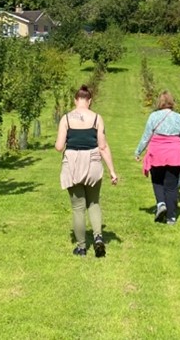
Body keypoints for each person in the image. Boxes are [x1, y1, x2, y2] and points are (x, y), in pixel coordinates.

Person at [55, 85, 118, 257]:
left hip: (73, 165)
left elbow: (59, 147)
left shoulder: (66, 119)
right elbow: (103, 147)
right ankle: (98, 237)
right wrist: (112, 171)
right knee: (94, 203)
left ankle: (82, 247)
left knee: (78, 208)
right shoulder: (97, 118)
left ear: (76, 100)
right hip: (93, 163)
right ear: (89, 101)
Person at [134, 90, 180, 225]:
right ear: (172, 102)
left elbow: (146, 136)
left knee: (157, 181)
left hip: (157, 152)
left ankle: (161, 203)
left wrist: (138, 152)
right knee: (171, 186)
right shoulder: (179, 117)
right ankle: (171, 217)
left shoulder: (153, 116)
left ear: (160, 102)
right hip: (175, 153)